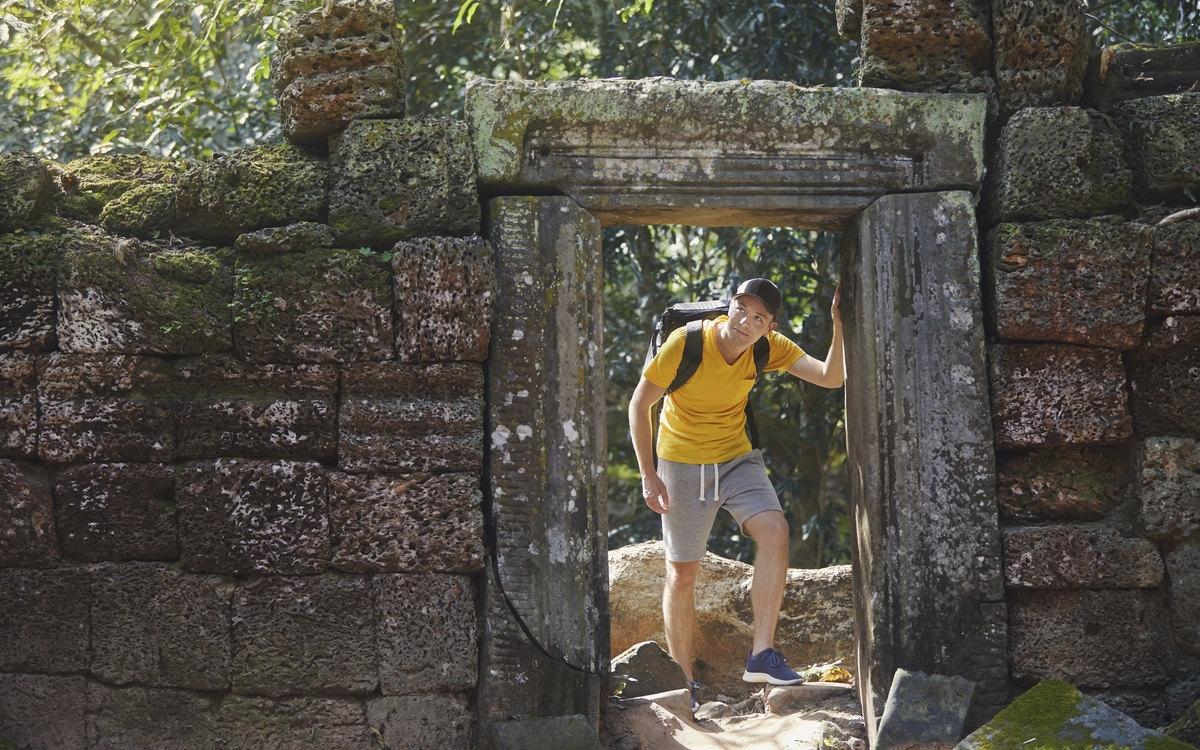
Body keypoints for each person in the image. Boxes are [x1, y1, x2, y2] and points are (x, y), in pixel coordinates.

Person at [627, 277, 844, 697]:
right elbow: (640, 404)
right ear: (730, 306)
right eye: (741, 308)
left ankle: (762, 655)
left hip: (737, 459)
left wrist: (839, 321)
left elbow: (832, 377)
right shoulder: (685, 343)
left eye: (758, 317)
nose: (745, 321)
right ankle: (684, 682)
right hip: (682, 462)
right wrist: (648, 475)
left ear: (770, 328)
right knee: (683, 572)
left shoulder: (768, 349)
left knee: (775, 532)